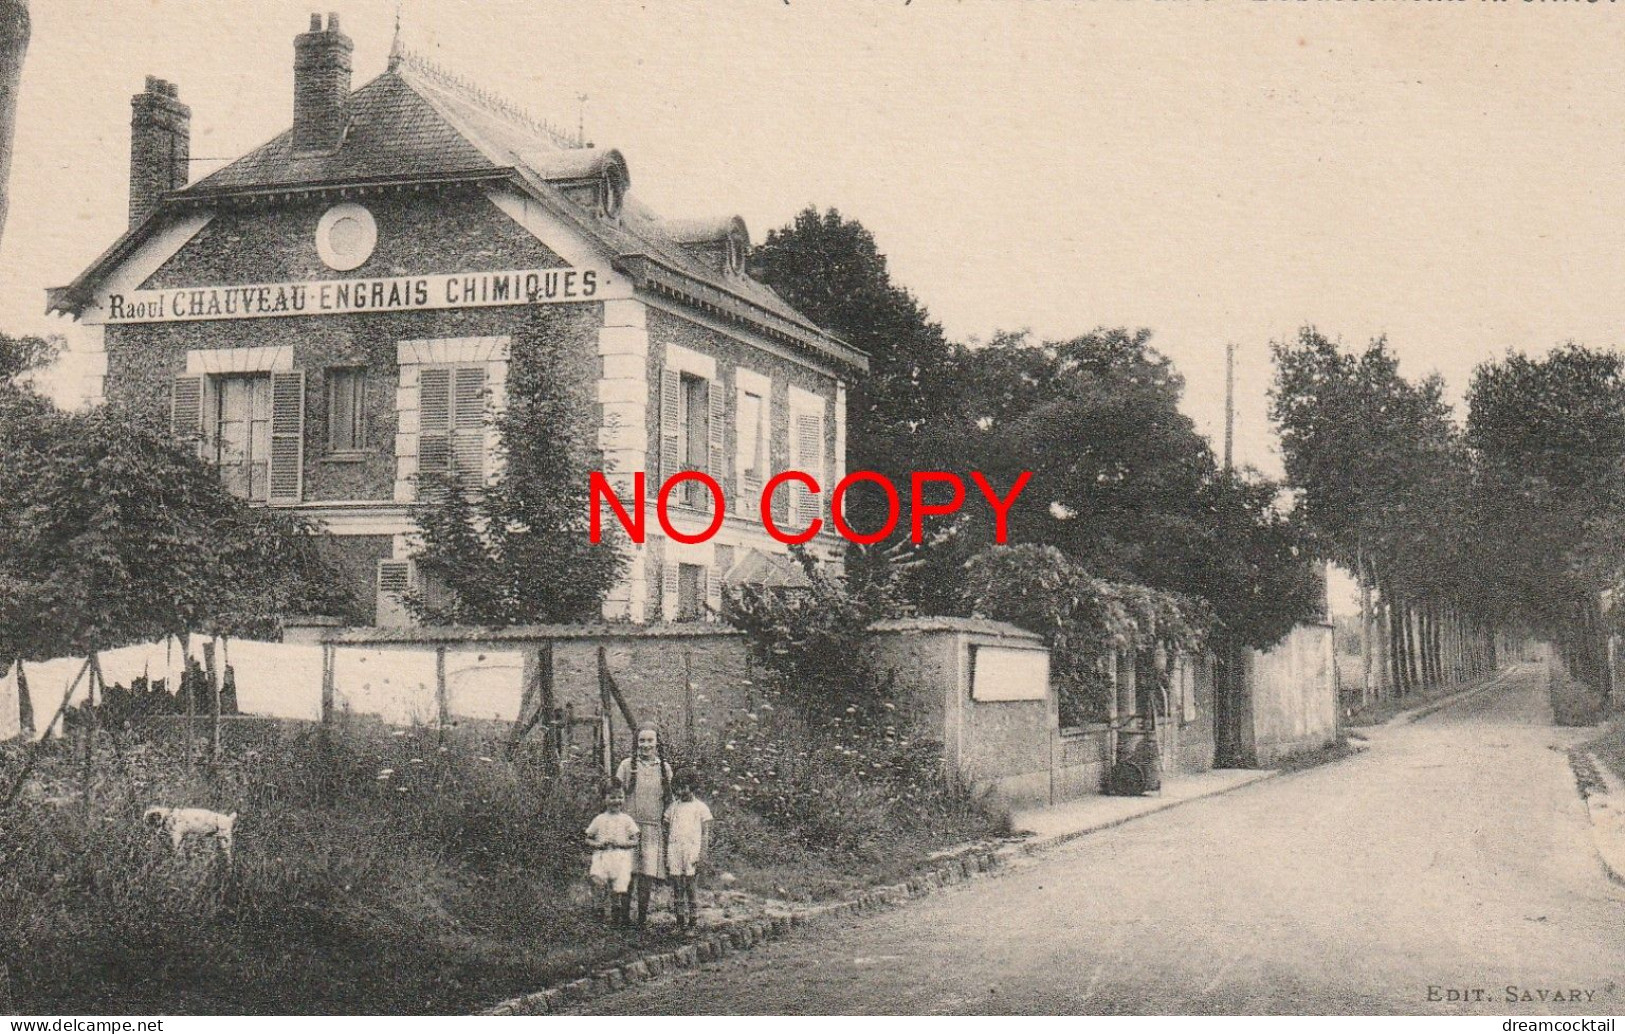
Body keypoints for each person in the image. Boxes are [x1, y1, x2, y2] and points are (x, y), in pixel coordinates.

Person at [615, 723, 673, 928]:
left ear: (657, 743)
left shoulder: (664, 769)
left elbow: (669, 800)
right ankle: (623, 916)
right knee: (628, 872)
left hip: (652, 828)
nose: (646, 745)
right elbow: (615, 794)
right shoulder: (626, 766)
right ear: (636, 742)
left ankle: (641, 918)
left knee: (647, 874)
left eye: (650, 740)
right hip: (630, 828)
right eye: (642, 740)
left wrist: (665, 818)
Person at [664, 773, 713, 935]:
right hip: (675, 849)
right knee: (677, 886)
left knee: (691, 886)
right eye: (677, 787)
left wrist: (702, 854)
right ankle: (680, 922)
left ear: (692, 787)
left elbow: (705, 833)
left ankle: (693, 921)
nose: (681, 791)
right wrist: (666, 852)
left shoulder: (700, 808)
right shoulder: (674, 807)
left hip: (692, 850)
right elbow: (666, 829)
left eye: (684, 787)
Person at [584, 787, 640, 927]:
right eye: (612, 797)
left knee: (617, 889)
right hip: (602, 856)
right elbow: (587, 839)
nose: (616, 801)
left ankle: (616, 919)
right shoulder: (599, 819)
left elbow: (635, 840)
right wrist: (599, 844)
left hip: (620, 858)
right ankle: (599, 913)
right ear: (605, 799)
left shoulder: (626, 819)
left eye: (620, 797)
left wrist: (622, 843)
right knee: (599, 883)